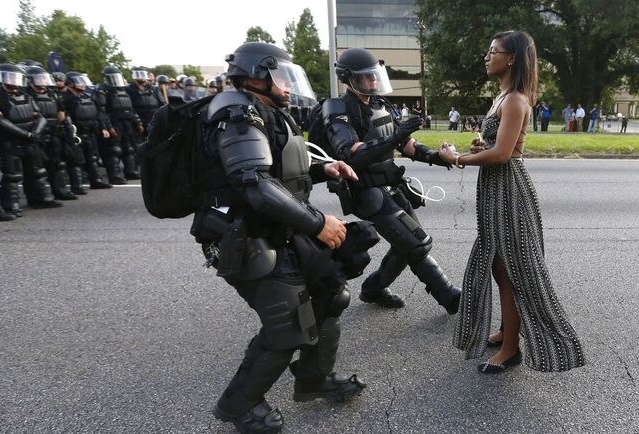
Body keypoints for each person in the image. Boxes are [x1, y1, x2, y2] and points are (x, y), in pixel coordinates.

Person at [179, 42, 367, 433]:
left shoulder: (265, 112)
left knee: (331, 293)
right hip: (246, 236)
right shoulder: (236, 113)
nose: (287, 84)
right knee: (288, 323)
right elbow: (255, 185)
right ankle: (238, 405)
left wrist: (323, 170)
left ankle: (313, 379)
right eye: (280, 75)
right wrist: (319, 224)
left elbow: (278, 172)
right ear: (255, 75)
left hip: (279, 229)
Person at [438, 31, 586, 373]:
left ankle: (511, 349)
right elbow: (495, 147)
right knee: (497, 264)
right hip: (495, 189)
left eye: (494, 51)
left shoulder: (516, 99)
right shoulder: (502, 97)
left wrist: (456, 157)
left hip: (509, 191)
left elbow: (504, 154)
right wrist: (480, 147)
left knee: (512, 270)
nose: (487, 57)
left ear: (512, 58)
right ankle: (507, 330)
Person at [320, 47, 461, 313]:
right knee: (416, 243)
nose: (373, 82)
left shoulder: (381, 105)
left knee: (406, 244)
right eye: (366, 78)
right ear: (348, 79)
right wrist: (395, 138)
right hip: (366, 191)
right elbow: (350, 154)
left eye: (375, 76)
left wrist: (436, 157)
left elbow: (407, 144)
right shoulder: (337, 108)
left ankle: (374, 288)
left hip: (392, 186)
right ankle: (450, 296)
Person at [0, 63, 63, 217]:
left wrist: (36, 132)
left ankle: (42, 199)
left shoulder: (26, 95)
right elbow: (0, 121)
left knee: (37, 171)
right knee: (12, 175)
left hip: (30, 139)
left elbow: (40, 116)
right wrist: (24, 134)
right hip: (10, 141)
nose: (13, 81)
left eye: (16, 77)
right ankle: (11, 205)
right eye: (10, 77)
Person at [25, 65, 78, 201]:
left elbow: (61, 113)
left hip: (53, 133)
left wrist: (65, 129)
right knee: (36, 169)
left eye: (43, 79)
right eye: (39, 79)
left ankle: (60, 191)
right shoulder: (26, 95)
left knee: (56, 164)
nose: (42, 82)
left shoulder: (53, 93)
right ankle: (37, 198)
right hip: (35, 135)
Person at [62, 72, 113, 191]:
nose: (83, 84)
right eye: (79, 82)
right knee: (76, 160)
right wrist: (70, 132)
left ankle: (96, 180)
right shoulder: (65, 98)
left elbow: (98, 113)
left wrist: (103, 128)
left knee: (92, 158)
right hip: (76, 133)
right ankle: (77, 186)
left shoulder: (88, 96)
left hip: (90, 132)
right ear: (70, 83)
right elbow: (64, 116)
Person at [94, 65, 144, 182]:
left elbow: (131, 108)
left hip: (127, 122)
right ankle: (115, 175)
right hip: (114, 122)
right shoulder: (102, 90)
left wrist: (138, 122)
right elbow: (102, 111)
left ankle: (130, 171)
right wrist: (108, 126)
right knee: (114, 149)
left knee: (129, 148)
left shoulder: (124, 90)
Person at [126, 67, 161, 137]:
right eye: (138, 75)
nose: (141, 77)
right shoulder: (128, 89)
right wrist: (137, 122)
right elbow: (129, 107)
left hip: (153, 121)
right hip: (137, 122)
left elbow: (161, 104)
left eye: (142, 74)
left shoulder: (154, 89)